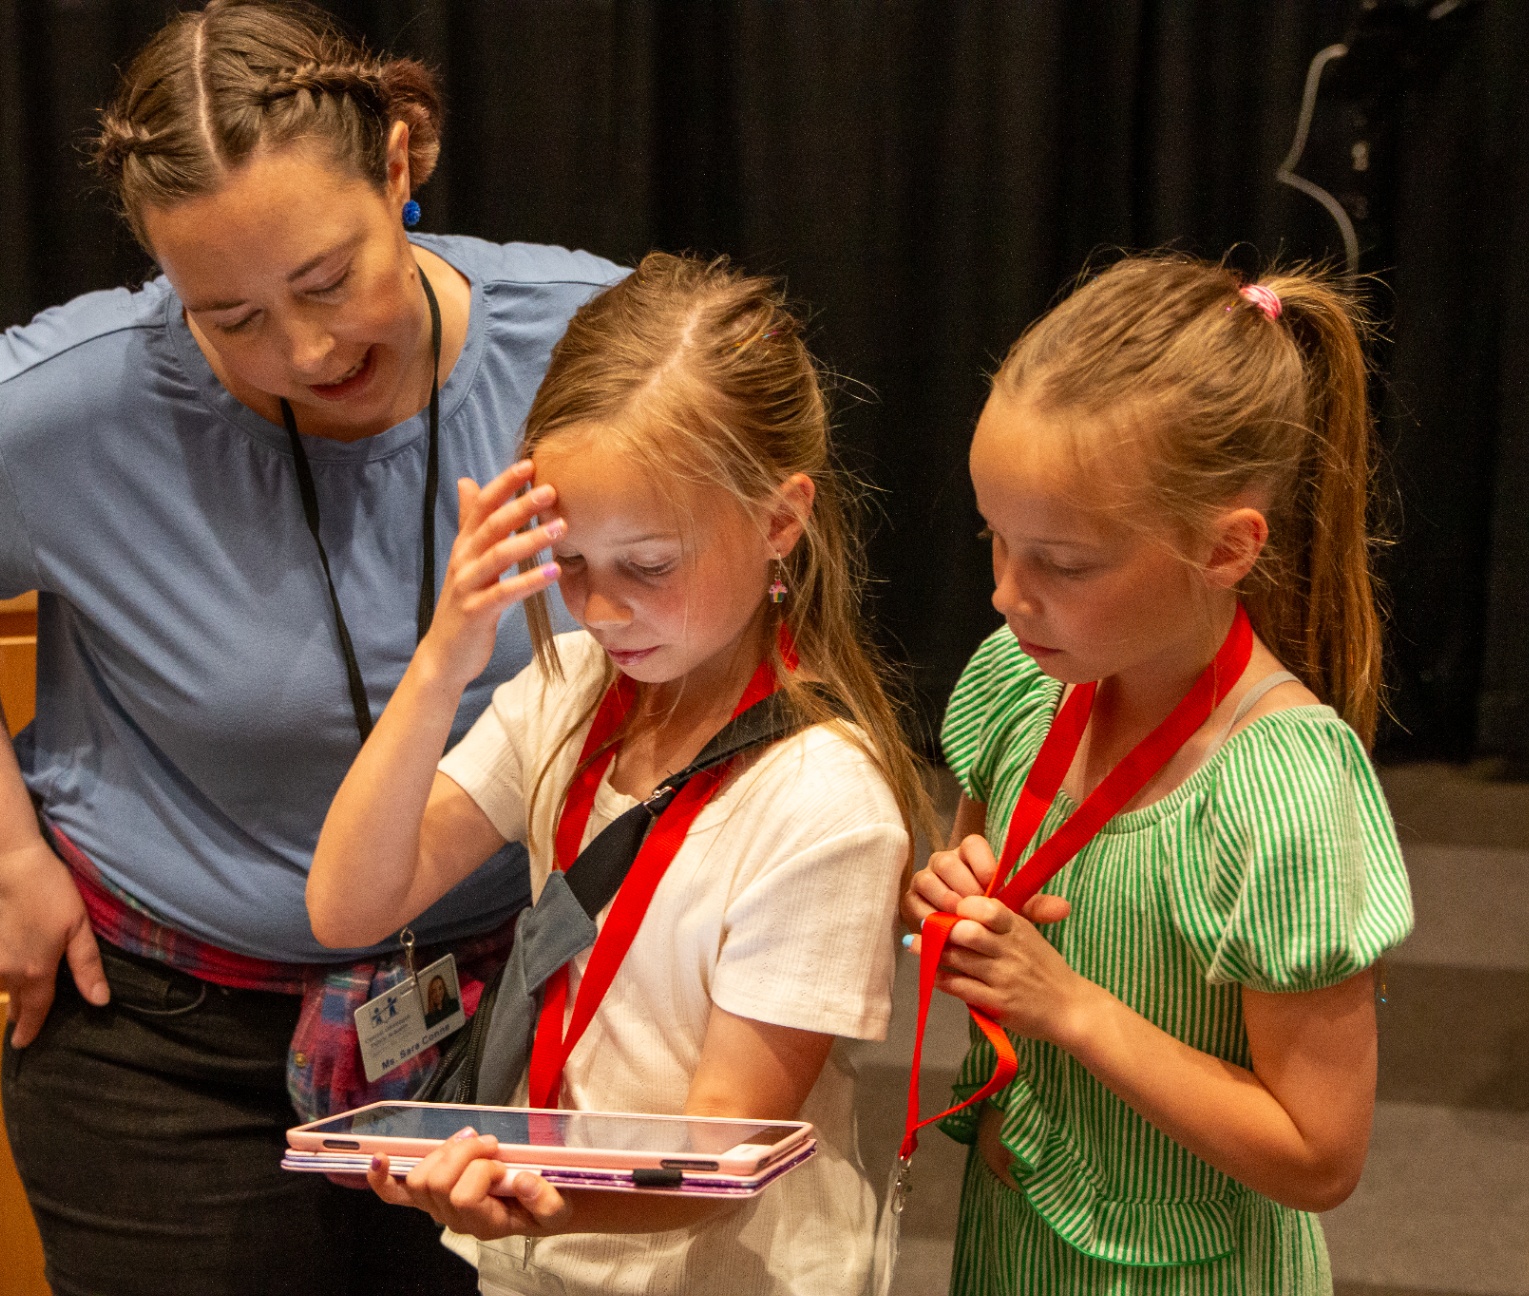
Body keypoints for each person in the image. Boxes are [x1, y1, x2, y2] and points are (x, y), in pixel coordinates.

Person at [0, 3, 623, 1293]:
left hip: (517, 1011)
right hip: (168, 1049)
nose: (304, 350)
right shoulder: (66, 402)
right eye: (230, 316)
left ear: (399, 164)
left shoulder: (592, 344)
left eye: (329, 281)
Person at [307, 253, 931, 1295]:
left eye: (647, 565)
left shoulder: (825, 800)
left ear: (778, 522)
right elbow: (347, 904)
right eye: (570, 564)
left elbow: (724, 1150)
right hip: (539, 1258)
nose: (599, 611)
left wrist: (528, 1190)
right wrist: (443, 658)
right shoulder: (569, 690)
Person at [901, 254, 1415, 1293]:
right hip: (1014, 1246)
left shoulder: (1281, 791)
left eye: (1063, 563)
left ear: (1226, 550)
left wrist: (1070, 1008)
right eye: (995, 542)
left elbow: (1318, 1156)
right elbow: (981, 885)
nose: (1006, 595)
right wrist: (948, 897)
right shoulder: (1019, 679)